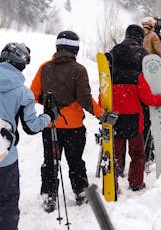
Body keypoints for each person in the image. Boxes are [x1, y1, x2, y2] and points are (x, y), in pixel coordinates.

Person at [30, 31, 104, 213]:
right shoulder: (79, 70)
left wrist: (48, 105)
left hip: (50, 125)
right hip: (73, 127)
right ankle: (80, 192)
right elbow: (85, 99)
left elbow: (33, 94)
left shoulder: (45, 68)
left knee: (50, 161)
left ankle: (49, 194)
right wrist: (101, 114)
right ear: (75, 49)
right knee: (75, 161)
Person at [0, 42, 57, 230]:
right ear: (21, 65)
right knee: (7, 204)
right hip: (5, 159)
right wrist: (50, 115)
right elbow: (32, 127)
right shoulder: (23, 93)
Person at [110, 24, 161, 191]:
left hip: (115, 110)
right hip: (135, 109)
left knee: (115, 149)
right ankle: (136, 182)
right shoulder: (142, 55)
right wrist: (160, 99)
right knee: (137, 151)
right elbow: (147, 92)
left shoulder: (114, 51)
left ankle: (113, 178)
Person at [140, 16, 161, 164]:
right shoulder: (153, 36)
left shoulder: (139, 36)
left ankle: (144, 147)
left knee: (143, 117)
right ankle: (150, 149)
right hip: (153, 76)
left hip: (141, 77)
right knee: (154, 113)